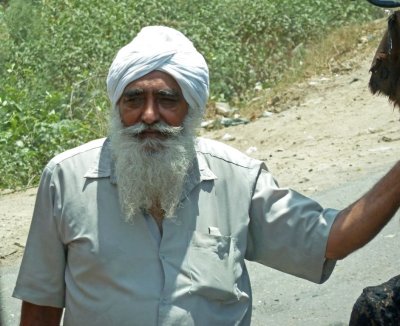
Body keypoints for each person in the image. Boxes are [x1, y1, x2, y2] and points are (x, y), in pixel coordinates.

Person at [12, 26, 400, 326]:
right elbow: (41, 311)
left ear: (191, 109)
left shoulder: (237, 180)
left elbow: (330, 240)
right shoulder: (65, 179)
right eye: (134, 100)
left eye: (166, 100)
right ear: (117, 107)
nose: (149, 115)